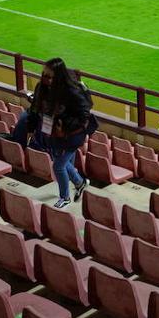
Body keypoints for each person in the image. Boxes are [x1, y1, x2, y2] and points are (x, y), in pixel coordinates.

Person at [38, 58, 95, 209]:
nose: (45, 76)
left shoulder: (70, 90)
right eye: (44, 73)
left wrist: (68, 126)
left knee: (58, 166)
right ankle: (79, 182)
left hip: (72, 135)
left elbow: (84, 113)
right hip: (56, 133)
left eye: (48, 74)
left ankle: (65, 197)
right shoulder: (48, 87)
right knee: (60, 160)